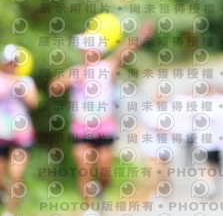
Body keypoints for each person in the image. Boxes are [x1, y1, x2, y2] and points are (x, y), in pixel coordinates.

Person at [49, 21, 152, 216]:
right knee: (84, 168)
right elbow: (54, 87)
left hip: (104, 127)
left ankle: (100, 191)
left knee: (104, 171)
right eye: (83, 50)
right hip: (80, 127)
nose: (84, 53)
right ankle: (88, 208)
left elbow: (123, 51)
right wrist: (68, 80)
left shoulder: (107, 67)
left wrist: (140, 36)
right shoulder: (75, 71)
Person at [0, 45, 38, 216]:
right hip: (1, 134)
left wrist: (18, 85)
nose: (12, 64)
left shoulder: (26, 81)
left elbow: (33, 103)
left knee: (16, 175)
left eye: (14, 61)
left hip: (21, 135)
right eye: (9, 61)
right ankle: (4, 193)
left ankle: (9, 212)